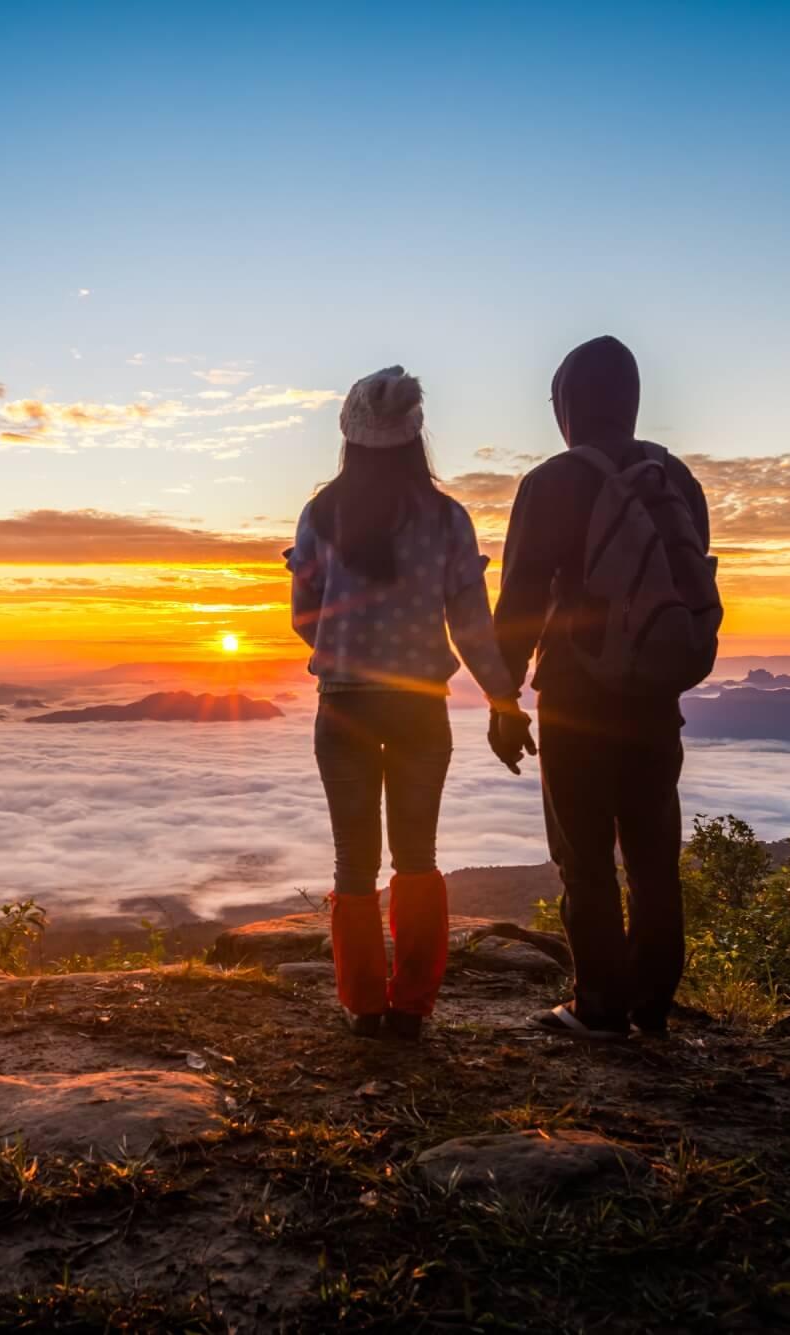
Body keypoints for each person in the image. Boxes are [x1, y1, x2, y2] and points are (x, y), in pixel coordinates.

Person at [287, 366, 526, 1040]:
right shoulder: (446, 520)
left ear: (351, 437)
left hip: (344, 708)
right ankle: (412, 1005)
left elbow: (304, 617)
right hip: (421, 709)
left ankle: (363, 1004)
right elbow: (471, 625)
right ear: (415, 437)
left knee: (353, 863)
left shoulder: (320, 516)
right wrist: (503, 699)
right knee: (417, 856)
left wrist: (346, 644)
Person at [489, 335, 714, 1040]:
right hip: (655, 697)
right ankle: (653, 1004)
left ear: (568, 406)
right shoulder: (675, 477)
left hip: (576, 696)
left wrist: (503, 699)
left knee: (584, 856)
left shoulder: (552, 482)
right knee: (653, 856)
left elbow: (520, 602)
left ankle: (599, 1006)